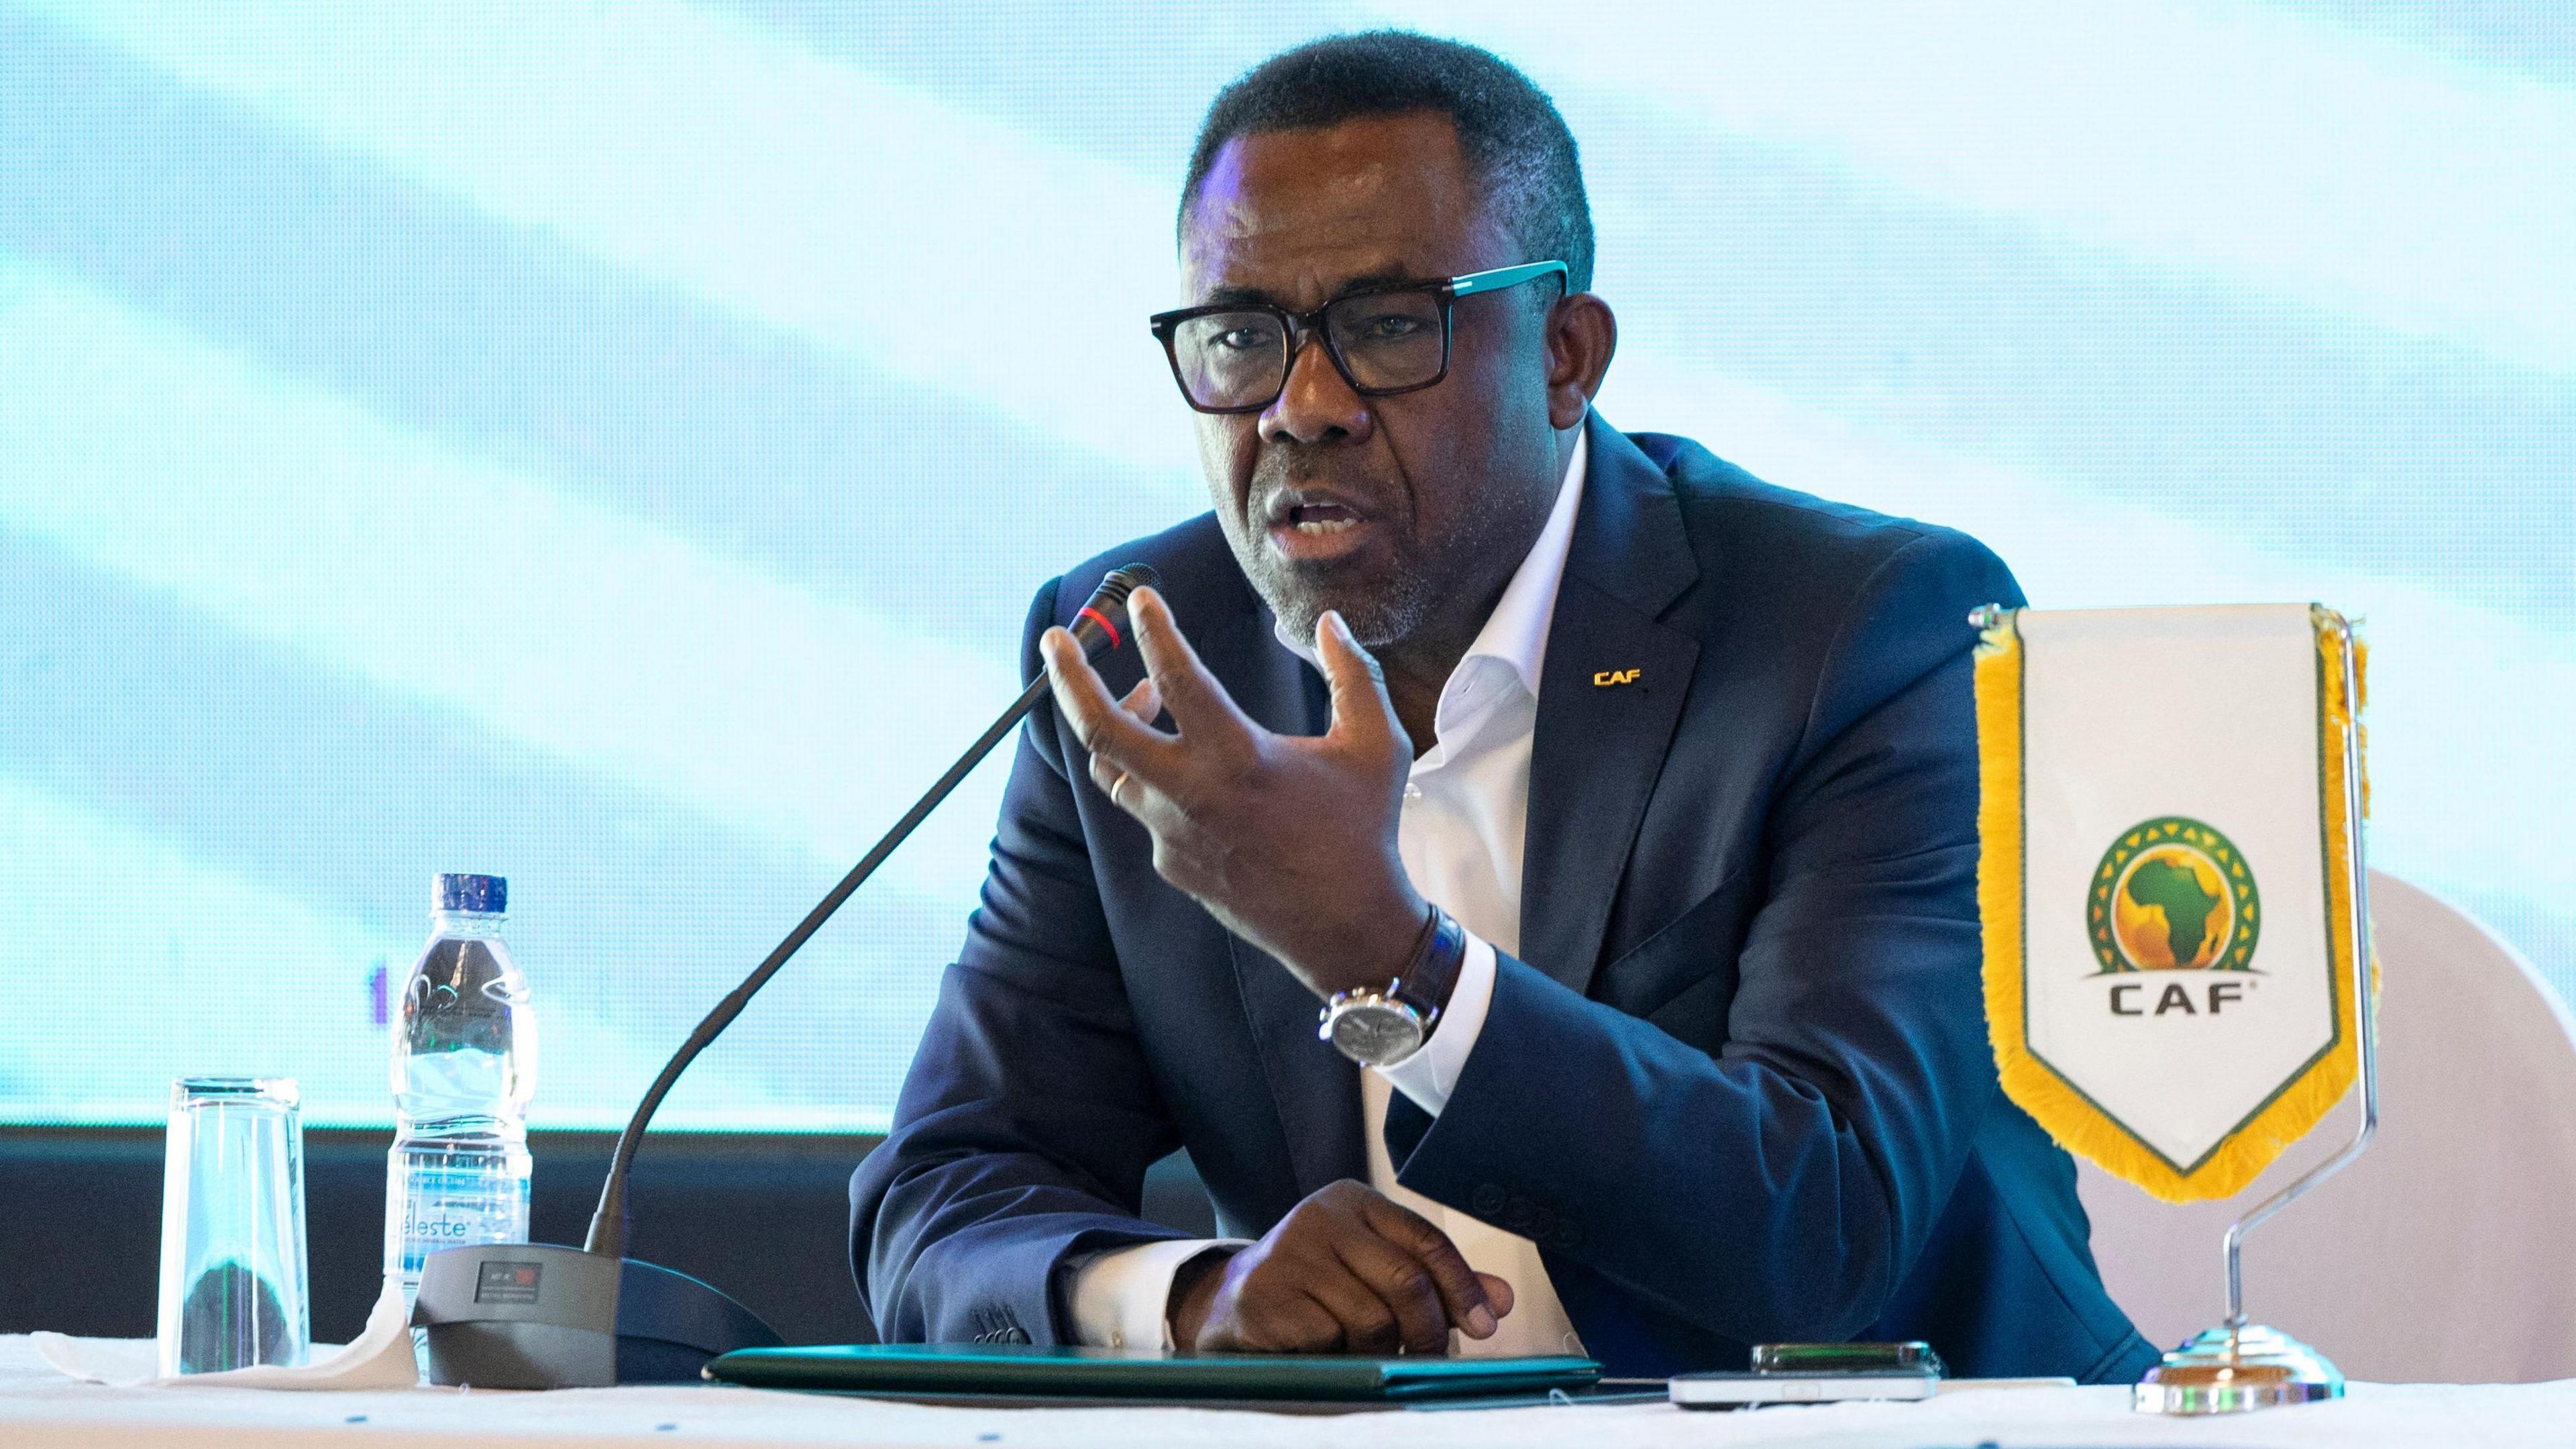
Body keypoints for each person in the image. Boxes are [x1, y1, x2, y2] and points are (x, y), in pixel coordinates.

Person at [851, 31, 2158, 1382]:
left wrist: (1388, 957)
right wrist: (1196, 1298)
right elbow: (944, 1197)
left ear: (1567, 357)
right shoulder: (1139, 656)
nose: (1303, 409)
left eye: (1387, 327)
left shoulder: (1865, 629)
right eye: (1241, 337)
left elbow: (1823, 1229)